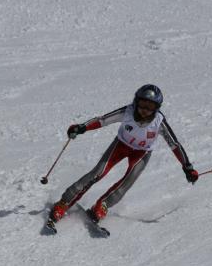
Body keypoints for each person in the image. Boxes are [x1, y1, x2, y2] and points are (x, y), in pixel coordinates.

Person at [48, 84, 199, 226]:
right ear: (136, 102)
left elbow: (174, 145)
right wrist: (82, 127)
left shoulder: (159, 122)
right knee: (98, 172)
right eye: (142, 104)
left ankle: (102, 205)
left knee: (127, 182)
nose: (145, 110)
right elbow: (103, 120)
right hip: (120, 146)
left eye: (150, 107)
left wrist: (187, 167)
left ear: (157, 108)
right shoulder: (127, 112)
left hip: (142, 153)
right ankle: (64, 202)